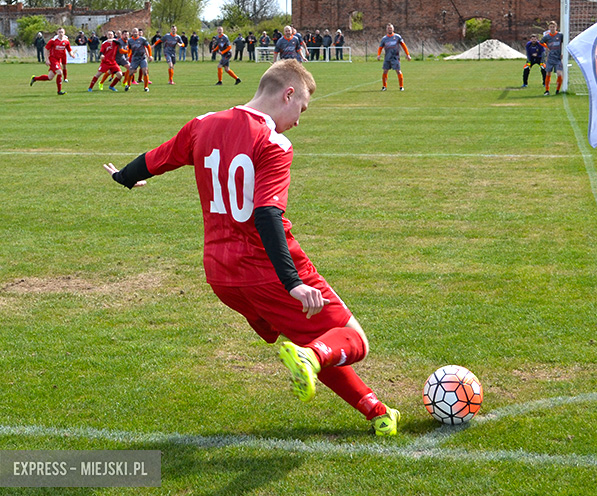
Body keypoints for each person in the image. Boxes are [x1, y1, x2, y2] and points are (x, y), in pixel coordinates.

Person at [103, 59, 401, 437]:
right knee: (353, 338)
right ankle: (312, 359)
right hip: (264, 268)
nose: (299, 120)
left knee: (309, 338)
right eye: (302, 108)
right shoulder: (273, 142)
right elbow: (266, 215)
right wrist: (292, 281)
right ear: (287, 94)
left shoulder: (203, 123)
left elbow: (160, 157)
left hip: (221, 274)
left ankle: (376, 411)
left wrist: (123, 177)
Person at [30, 27, 74, 95]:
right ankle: (59, 91)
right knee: (60, 72)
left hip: (58, 60)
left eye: (62, 32)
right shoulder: (53, 40)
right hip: (52, 59)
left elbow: (69, 49)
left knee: (50, 77)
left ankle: (35, 78)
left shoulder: (66, 40)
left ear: (64, 32)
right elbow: (46, 49)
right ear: (57, 33)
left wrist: (71, 54)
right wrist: (47, 59)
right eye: (59, 32)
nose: (61, 34)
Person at [377, 23, 411, 91]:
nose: (390, 29)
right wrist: (378, 55)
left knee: (398, 71)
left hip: (395, 57)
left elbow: (403, 46)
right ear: (386, 29)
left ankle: (401, 87)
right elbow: (380, 47)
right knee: (385, 71)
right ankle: (384, 86)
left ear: (393, 29)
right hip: (387, 57)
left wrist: (407, 54)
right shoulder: (384, 38)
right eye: (388, 28)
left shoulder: (397, 37)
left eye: (391, 28)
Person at [540, 21, 564, 96]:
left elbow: (564, 43)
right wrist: (547, 47)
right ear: (549, 28)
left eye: (553, 27)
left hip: (558, 58)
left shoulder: (560, 35)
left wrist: (562, 52)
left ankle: (557, 90)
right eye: (551, 27)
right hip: (550, 58)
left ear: (556, 27)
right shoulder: (547, 36)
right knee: (548, 73)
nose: (552, 28)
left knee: (559, 73)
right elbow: (541, 42)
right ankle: (547, 90)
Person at [125, 27, 152, 92]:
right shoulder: (130, 40)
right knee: (131, 72)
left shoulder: (142, 39)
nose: (135, 33)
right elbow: (129, 49)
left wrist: (150, 55)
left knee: (145, 72)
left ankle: (146, 87)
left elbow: (148, 47)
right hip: (134, 58)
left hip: (142, 57)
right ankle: (128, 85)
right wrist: (128, 56)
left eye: (136, 32)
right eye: (133, 32)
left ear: (138, 32)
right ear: (132, 33)